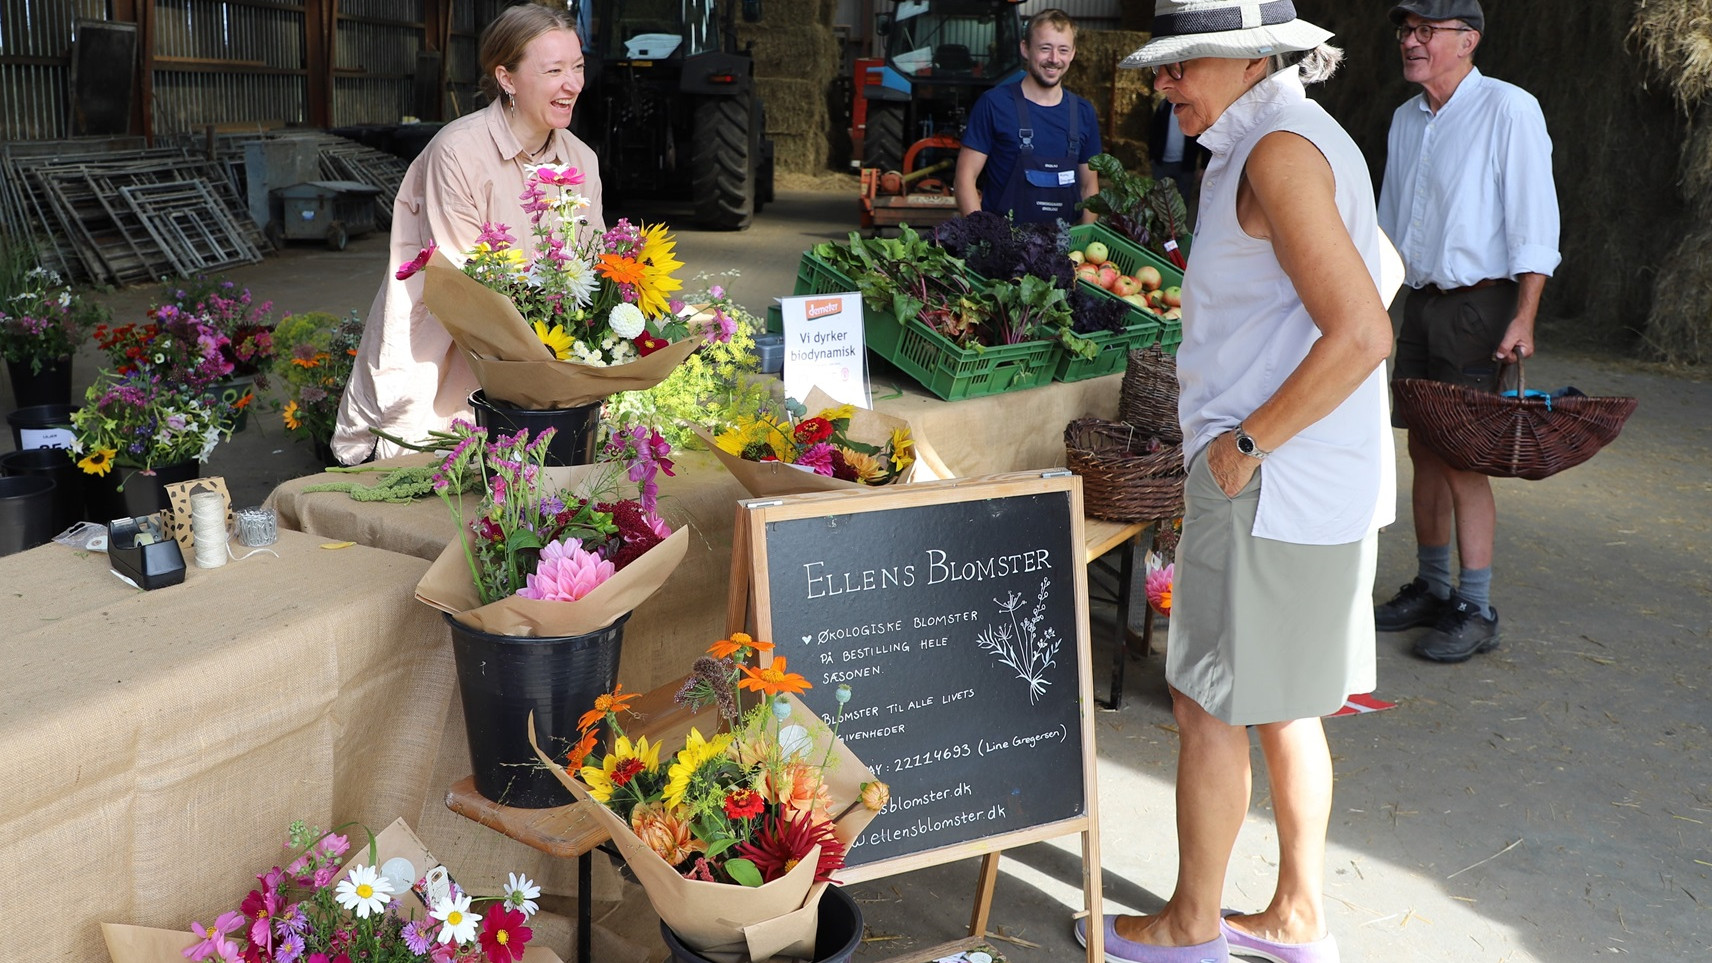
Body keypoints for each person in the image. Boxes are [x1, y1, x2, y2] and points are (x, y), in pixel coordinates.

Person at [1079, 3, 1397, 962]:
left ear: (1258, 59)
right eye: (1163, 66)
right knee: (1285, 702)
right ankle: (1298, 913)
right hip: (1317, 481)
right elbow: (1382, 273)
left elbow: (1363, 329)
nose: (1164, 83)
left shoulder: (1277, 153)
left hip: (1270, 481)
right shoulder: (1293, 137)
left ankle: (1187, 925)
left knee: (1208, 702)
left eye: (1185, 64)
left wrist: (1244, 444)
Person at [331, 4, 605, 464]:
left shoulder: (581, 160)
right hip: (449, 356)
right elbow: (466, 285)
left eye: (577, 67)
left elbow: (594, 269)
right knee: (437, 485)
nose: (573, 84)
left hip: (546, 364)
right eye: (554, 70)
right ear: (507, 78)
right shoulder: (457, 153)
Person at [1375, 0, 1560, 663]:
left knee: (1462, 456)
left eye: (1426, 31)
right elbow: (1388, 228)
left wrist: (1524, 314)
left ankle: (1477, 606)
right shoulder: (1405, 121)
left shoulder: (1509, 110)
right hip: (1421, 304)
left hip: (1480, 304)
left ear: (1467, 40)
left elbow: (1536, 221)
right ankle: (1432, 584)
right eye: (1406, 30)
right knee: (1424, 448)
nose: (1411, 42)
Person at [953, 8, 1100, 224]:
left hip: (1066, 249)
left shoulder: (1084, 113)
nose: (1054, 59)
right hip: (1003, 247)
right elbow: (965, 178)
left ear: (1073, 53)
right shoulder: (994, 104)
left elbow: (1089, 187)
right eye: (1045, 48)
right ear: (1025, 49)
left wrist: (1085, 247)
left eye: (1063, 50)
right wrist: (982, 237)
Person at [1149, 96, 1208, 201]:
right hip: (1161, 163)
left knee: (1182, 202)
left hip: (1186, 165)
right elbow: (1154, 131)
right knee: (1160, 202)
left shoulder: (1194, 108)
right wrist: (1152, 157)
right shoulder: (1164, 106)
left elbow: (1203, 137)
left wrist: (1204, 165)